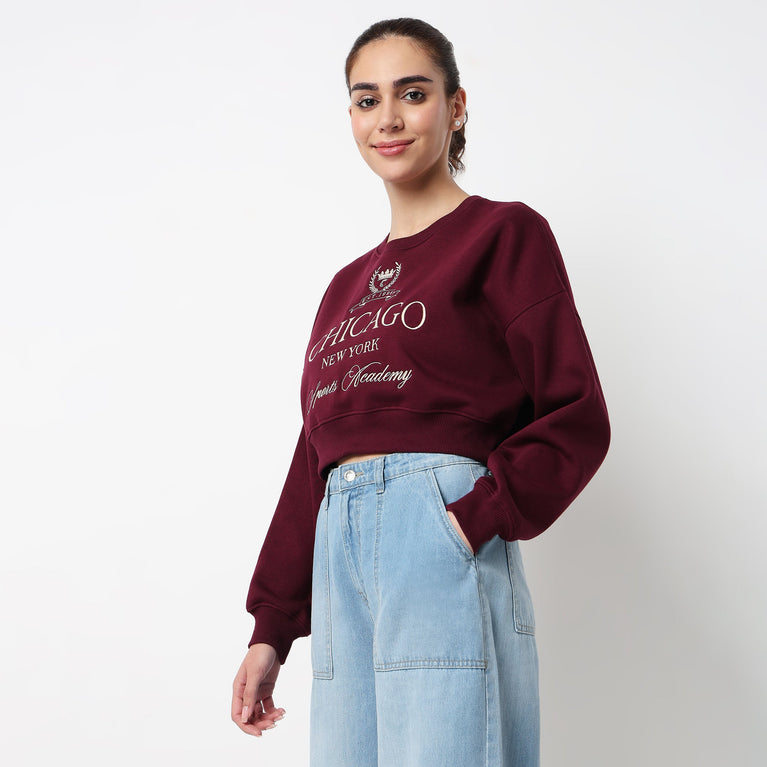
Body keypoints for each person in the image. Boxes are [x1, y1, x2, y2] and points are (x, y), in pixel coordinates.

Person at [231, 17, 610, 766]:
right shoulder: (343, 289)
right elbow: (316, 459)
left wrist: (468, 519)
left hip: (437, 534)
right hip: (338, 561)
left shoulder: (502, 235)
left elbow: (576, 414)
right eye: (366, 99)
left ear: (455, 106)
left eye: (412, 93)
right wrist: (270, 628)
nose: (389, 118)